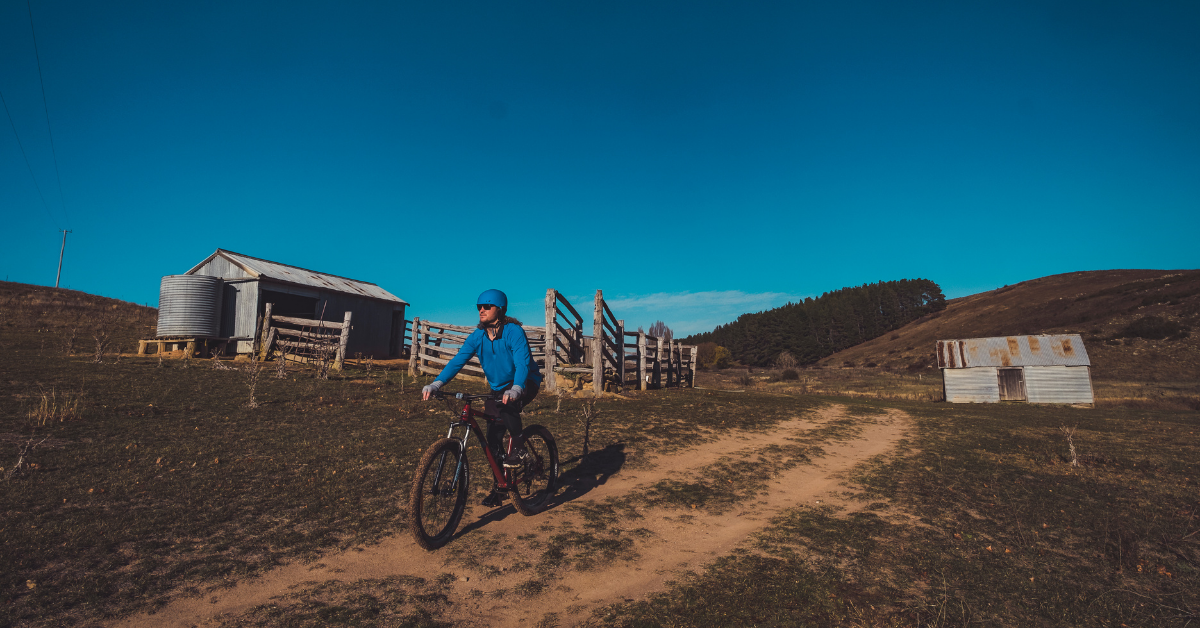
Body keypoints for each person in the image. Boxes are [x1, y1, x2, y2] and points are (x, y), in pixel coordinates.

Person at [422, 289, 542, 507]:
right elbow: (458, 361)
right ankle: (500, 488)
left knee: (508, 408)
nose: (481, 310)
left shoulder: (514, 332)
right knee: (493, 438)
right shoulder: (478, 336)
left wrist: (516, 388)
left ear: (500, 309)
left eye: (487, 306)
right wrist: (437, 383)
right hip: (497, 389)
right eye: (479, 306)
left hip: (524, 382)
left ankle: (520, 449)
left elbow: (523, 363)